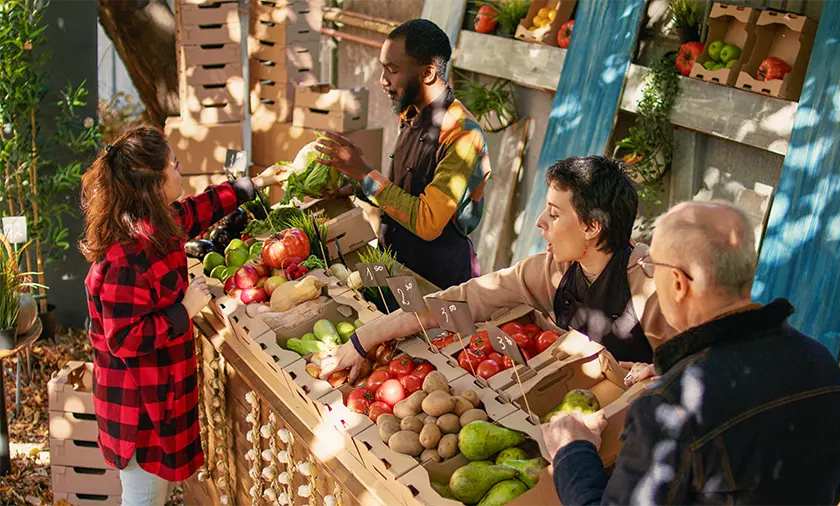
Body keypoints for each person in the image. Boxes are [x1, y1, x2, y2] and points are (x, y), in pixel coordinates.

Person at [542, 201, 840, 506]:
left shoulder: (672, 408)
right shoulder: (823, 365)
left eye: (652, 267)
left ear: (679, 283)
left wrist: (572, 450)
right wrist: (679, 372)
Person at [79, 126, 289, 506]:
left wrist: (254, 184)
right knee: (143, 497)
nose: (181, 172)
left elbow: (197, 209)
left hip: (158, 395)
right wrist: (184, 311)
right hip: (139, 411)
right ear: (156, 184)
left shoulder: (156, 224)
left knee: (151, 494)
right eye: (174, 166)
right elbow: (124, 338)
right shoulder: (126, 255)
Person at [321, 156, 672, 381]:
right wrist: (364, 338)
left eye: (553, 213)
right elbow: (459, 302)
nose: (539, 222)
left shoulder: (650, 288)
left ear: (592, 227)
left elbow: (712, 366)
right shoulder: (553, 271)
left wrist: (661, 372)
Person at [314, 18, 491, 290]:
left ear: (428, 73)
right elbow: (404, 195)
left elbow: (428, 221)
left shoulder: (463, 134)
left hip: (436, 283)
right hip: (395, 265)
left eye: (392, 70)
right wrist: (356, 187)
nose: (382, 80)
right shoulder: (411, 114)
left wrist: (365, 173)